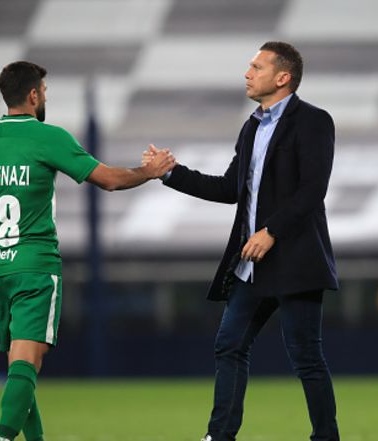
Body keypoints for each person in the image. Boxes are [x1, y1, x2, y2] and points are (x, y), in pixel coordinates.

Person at [0, 61, 175, 441]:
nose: (45, 97)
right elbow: (109, 180)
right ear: (33, 95)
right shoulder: (47, 137)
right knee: (26, 364)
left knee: (19, 366)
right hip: (34, 266)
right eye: (44, 92)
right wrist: (149, 171)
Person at [144, 41, 340, 441]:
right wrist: (170, 173)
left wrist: (271, 231)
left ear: (282, 77)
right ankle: (220, 436)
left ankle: (326, 437)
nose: (247, 74)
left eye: (256, 67)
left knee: (306, 358)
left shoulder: (314, 121)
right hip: (252, 265)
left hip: (296, 261)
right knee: (229, 346)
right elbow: (229, 188)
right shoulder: (251, 126)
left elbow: (312, 190)